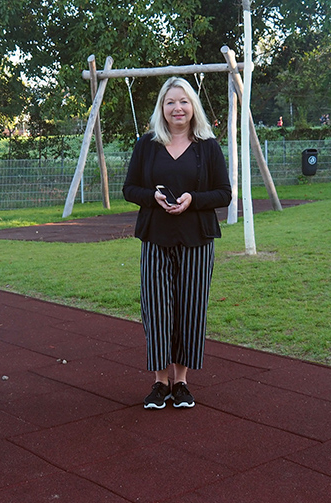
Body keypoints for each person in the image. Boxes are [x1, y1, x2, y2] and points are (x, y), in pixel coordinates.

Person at [123, 77, 231, 409]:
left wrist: (191, 198)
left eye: (183, 101)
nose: (177, 108)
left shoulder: (207, 146)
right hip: (156, 237)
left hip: (197, 239)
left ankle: (181, 381)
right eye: (170, 102)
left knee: (191, 309)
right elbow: (129, 190)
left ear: (192, 106)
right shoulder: (147, 145)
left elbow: (224, 194)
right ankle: (160, 382)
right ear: (162, 108)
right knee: (156, 310)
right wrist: (154, 197)